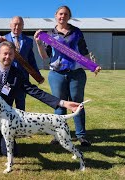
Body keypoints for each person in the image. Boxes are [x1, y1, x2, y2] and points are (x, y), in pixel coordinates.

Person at [0, 41, 83, 159]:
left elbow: (34, 91)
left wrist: (62, 103)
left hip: (3, 121)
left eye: (10, 54)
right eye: (4, 54)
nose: (7, 57)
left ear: (14, 56)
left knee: (12, 152)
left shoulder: (17, 74)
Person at [34, 6, 101, 146]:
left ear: (69, 16)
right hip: (56, 74)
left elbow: (84, 51)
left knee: (77, 104)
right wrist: (38, 43)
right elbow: (45, 56)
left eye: (65, 14)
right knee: (59, 105)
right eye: (60, 14)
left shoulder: (76, 32)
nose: (62, 16)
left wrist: (92, 66)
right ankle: (59, 135)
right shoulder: (49, 34)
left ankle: (81, 135)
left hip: (76, 74)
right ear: (55, 15)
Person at [0, 16, 43, 111]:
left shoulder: (29, 41)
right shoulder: (2, 39)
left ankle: (21, 126)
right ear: (10, 25)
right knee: (5, 107)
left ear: (23, 26)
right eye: (15, 24)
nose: (17, 27)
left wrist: (38, 76)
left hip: (22, 80)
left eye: (20, 25)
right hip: (7, 80)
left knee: (21, 109)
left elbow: (31, 61)